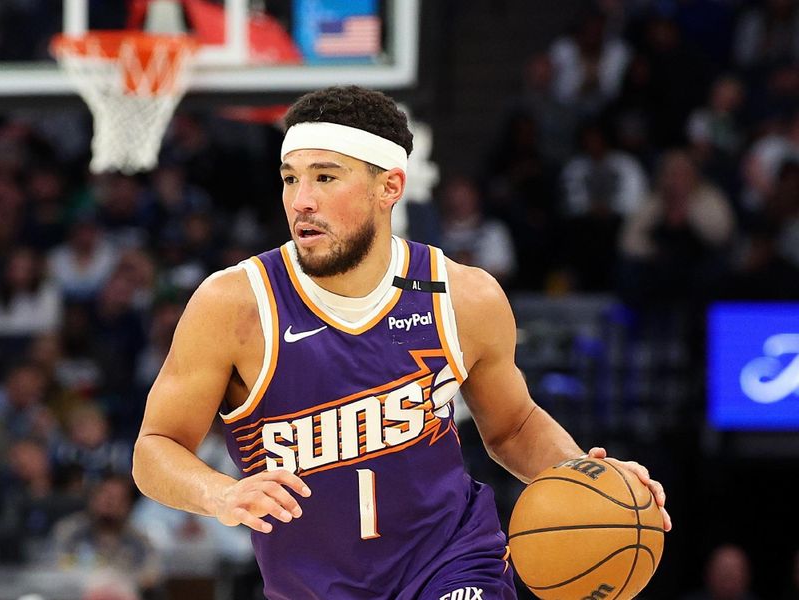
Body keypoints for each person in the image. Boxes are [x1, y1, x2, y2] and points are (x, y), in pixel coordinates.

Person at [132, 85, 671, 600]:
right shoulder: (234, 305)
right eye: (290, 178)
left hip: (454, 562)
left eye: (325, 177)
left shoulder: (463, 297)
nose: (301, 200)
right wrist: (220, 493)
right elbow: (155, 449)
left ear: (389, 187)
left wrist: (586, 475)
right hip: (313, 586)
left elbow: (514, 427)